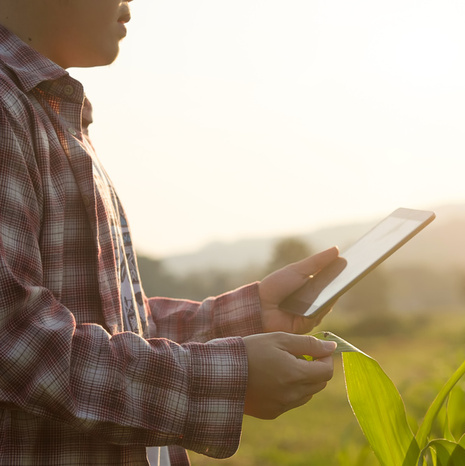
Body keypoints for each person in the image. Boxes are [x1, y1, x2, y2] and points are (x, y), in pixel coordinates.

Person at [0, 0, 338, 464]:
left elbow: (109, 327)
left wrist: (245, 315)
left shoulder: (46, 109)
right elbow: (17, 343)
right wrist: (227, 380)